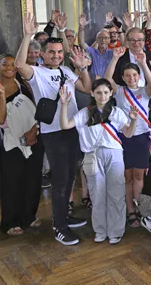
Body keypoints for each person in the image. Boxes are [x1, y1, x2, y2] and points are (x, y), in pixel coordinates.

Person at [15, 13, 92, 245]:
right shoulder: (36, 72)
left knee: (69, 178)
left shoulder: (66, 72)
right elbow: (19, 64)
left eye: (60, 52)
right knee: (59, 181)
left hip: (72, 130)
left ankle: (64, 216)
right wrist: (28, 35)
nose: (57, 56)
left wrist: (82, 68)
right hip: (53, 134)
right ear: (43, 54)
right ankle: (59, 227)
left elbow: (87, 89)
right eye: (52, 52)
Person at [59, 79, 136, 243]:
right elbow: (65, 125)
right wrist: (64, 104)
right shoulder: (85, 113)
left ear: (111, 93)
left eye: (106, 92)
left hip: (114, 154)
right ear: (92, 93)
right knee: (97, 194)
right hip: (92, 156)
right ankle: (100, 230)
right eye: (99, 92)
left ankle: (116, 231)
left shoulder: (116, 112)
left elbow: (128, 134)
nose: (103, 96)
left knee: (116, 194)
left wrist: (134, 120)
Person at [0, 56, 43, 236]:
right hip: (11, 143)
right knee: (13, 182)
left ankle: (29, 216)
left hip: (34, 137)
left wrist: (34, 130)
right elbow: (0, 119)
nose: (9, 68)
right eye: (5, 64)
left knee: (33, 179)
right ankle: (10, 221)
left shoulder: (25, 85)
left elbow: (37, 108)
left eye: (12, 64)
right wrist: (3, 95)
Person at [104, 47, 151, 227]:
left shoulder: (144, 91)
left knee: (139, 175)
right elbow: (106, 80)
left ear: (138, 76)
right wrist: (114, 59)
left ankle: (140, 208)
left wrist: (143, 63)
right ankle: (130, 210)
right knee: (126, 176)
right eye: (127, 76)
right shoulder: (119, 91)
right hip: (124, 137)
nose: (131, 78)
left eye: (134, 75)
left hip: (142, 136)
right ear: (123, 77)